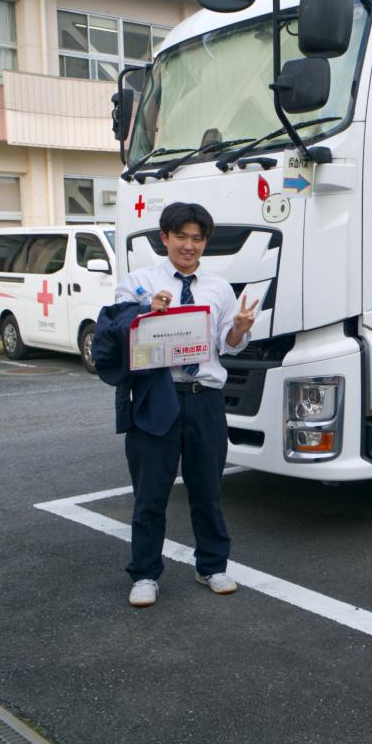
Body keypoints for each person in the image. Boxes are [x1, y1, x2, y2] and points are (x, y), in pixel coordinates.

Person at [112, 202, 258, 608]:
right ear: (165, 238)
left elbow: (227, 344)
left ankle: (211, 565)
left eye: (197, 238)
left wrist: (240, 331)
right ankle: (144, 573)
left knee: (208, 489)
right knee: (150, 492)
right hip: (156, 397)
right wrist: (145, 312)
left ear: (205, 243)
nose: (189, 246)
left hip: (204, 400)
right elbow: (117, 332)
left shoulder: (219, 288)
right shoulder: (138, 282)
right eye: (181, 237)